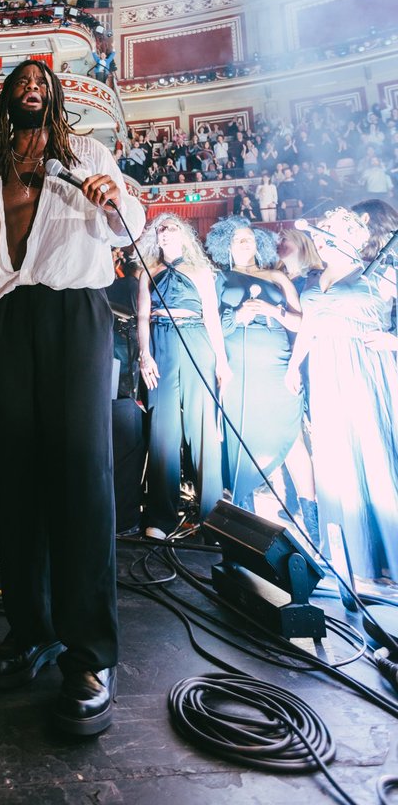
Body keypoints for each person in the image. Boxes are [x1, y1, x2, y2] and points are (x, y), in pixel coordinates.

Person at [0, 58, 145, 737]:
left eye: (42, 80)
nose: (31, 87)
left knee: (80, 478)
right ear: (10, 97)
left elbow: (131, 229)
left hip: (78, 314)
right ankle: (32, 632)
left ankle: (90, 654)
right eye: (20, 81)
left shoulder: (88, 151)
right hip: (17, 317)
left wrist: (114, 200)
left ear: (56, 95)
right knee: (19, 480)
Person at [286, 208, 398, 580]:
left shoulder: (381, 273)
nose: (320, 236)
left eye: (329, 230)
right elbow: (309, 327)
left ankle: (389, 552)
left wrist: (393, 339)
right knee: (337, 459)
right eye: (319, 232)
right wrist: (293, 366)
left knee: (374, 455)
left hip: (367, 370)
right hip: (325, 370)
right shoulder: (312, 279)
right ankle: (356, 556)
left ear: (352, 235)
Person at [204, 218, 315, 532]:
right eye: (237, 239)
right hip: (238, 365)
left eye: (249, 238)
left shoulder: (277, 276)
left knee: (292, 437)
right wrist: (236, 316)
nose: (244, 243)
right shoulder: (218, 279)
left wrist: (274, 312)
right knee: (242, 439)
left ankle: (313, 524)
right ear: (226, 245)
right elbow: (209, 326)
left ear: (259, 244)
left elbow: (302, 324)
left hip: (277, 361)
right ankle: (247, 525)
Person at [136, 214, 231, 540]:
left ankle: (212, 517)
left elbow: (213, 319)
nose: (165, 235)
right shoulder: (149, 270)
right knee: (163, 431)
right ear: (155, 238)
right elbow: (142, 316)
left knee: (202, 427)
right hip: (160, 342)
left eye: (171, 230)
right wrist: (144, 354)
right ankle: (161, 518)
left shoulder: (200, 271)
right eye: (160, 231)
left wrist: (222, 361)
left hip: (195, 340)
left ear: (183, 237)